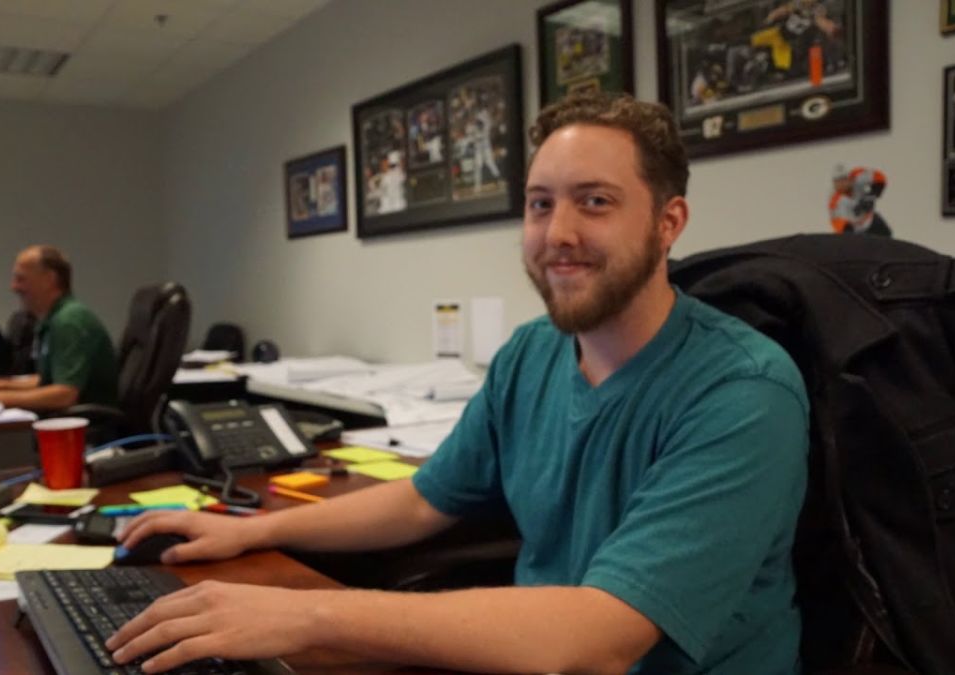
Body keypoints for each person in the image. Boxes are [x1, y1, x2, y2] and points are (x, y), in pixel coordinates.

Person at [107, 94, 809, 675]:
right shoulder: (531, 353)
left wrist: (305, 613)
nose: (557, 233)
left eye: (595, 202)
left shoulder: (743, 391)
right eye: (540, 204)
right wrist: (250, 530)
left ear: (668, 223)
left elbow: (601, 637)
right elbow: (422, 500)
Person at [0, 245, 118, 411]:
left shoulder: (69, 321)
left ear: (49, 279)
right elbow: (46, 380)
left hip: (88, 423)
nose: (14, 287)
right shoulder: (53, 319)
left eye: (21, 279)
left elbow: (65, 394)